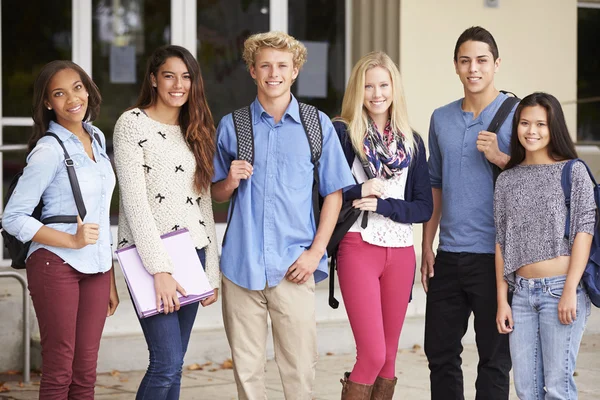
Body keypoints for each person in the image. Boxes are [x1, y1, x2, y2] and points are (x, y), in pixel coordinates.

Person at [212, 31, 354, 400]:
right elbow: (214, 193)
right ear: (252, 71)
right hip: (241, 267)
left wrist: (314, 253)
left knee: (299, 369)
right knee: (247, 370)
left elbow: (335, 195)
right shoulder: (233, 125)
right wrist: (229, 180)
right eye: (265, 66)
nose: (273, 73)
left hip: (294, 267)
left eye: (282, 66)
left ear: (294, 72)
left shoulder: (315, 125)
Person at [2, 60, 118, 399]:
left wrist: (108, 275)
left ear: (88, 89)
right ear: (47, 103)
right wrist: (71, 239)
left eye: (77, 87)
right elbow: (13, 217)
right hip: (55, 264)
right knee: (59, 370)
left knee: (85, 372)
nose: (72, 99)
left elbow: (98, 211)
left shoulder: (96, 138)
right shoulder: (48, 149)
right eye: (59, 93)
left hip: (96, 268)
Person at [112, 45, 220, 400]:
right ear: (154, 79)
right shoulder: (132, 124)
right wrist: (159, 269)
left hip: (194, 255)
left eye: (186, 76)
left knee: (175, 365)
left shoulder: (197, 128)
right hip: (150, 257)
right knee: (166, 361)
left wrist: (212, 272)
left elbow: (204, 203)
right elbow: (134, 202)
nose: (178, 84)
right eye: (169, 75)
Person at [332, 51, 432, 399]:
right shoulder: (342, 134)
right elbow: (323, 191)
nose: (376, 94)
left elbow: (424, 207)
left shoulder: (412, 142)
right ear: (357, 90)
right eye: (368, 86)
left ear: (394, 88)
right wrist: (358, 189)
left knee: (389, 360)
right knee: (372, 353)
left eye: (383, 85)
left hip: (401, 252)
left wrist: (385, 205)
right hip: (358, 246)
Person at [421, 26, 515, 399]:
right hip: (449, 255)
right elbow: (434, 184)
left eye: (481, 60)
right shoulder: (440, 118)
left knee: (494, 358)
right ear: (456, 67)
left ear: (496, 64)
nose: (473, 68)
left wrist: (500, 158)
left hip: (496, 258)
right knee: (440, 353)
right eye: (465, 61)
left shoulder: (517, 114)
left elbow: (537, 178)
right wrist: (427, 245)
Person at [494, 92, 594, 399]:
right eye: (525, 123)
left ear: (554, 128)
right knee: (526, 390)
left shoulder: (573, 171)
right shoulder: (507, 179)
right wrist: (502, 299)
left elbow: (583, 232)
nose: (532, 131)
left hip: (561, 289)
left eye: (541, 124)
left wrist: (569, 291)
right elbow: (501, 241)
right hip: (521, 294)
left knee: (558, 388)